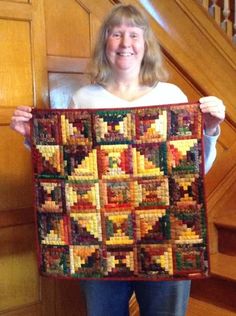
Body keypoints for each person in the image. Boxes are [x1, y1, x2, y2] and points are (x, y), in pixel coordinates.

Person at [11, 4, 225, 316]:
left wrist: (210, 130)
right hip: (98, 243)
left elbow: (191, 173)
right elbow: (69, 171)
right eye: (116, 34)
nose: (125, 43)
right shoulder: (84, 99)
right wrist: (34, 137)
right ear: (105, 44)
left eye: (134, 35)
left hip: (163, 238)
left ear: (146, 45)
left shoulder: (172, 97)